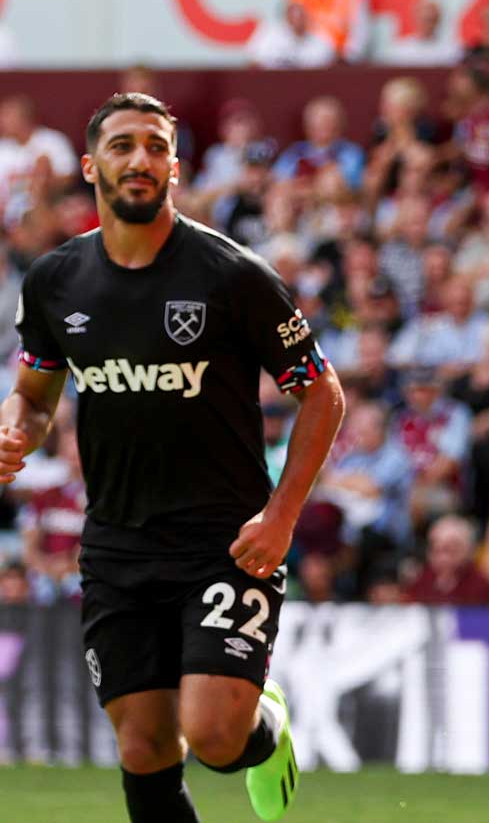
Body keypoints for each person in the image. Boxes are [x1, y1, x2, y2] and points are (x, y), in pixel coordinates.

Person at [0, 93, 346, 821]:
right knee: (145, 747)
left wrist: (280, 518)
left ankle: (267, 729)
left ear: (176, 170)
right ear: (91, 166)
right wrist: (15, 431)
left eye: (156, 147)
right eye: (123, 146)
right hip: (118, 544)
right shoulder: (56, 282)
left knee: (216, 736)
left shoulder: (232, 275)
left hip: (224, 540)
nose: (140, 160)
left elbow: (323, 396)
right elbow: (33, 395)